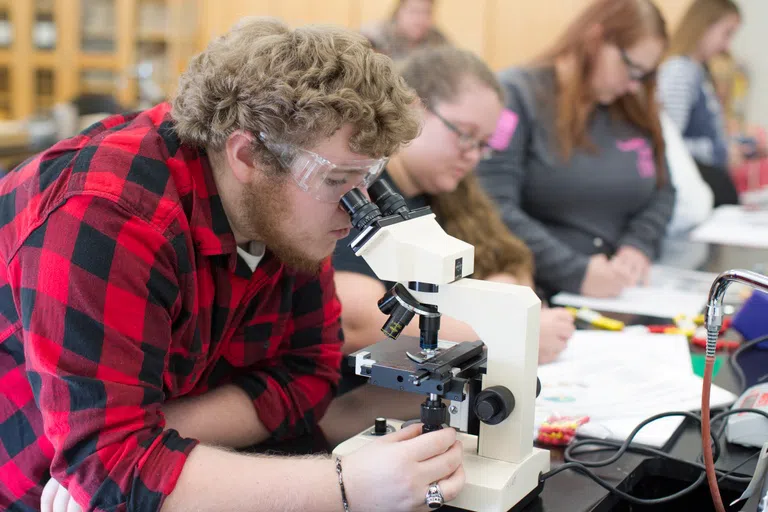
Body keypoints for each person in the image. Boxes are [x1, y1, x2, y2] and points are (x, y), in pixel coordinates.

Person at [0, 18, 465, 512]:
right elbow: (108, 477)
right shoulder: (107, 215)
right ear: (248, 155)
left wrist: (149, 441)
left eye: (369, 177)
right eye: (338, 179)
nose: (358, 205)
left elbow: (308, 376)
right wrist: (346, 485)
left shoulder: (279, 211)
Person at [322, 46, 575, 446]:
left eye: (483, 143)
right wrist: (508, 333)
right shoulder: (358, 188)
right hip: (343, 410)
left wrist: (506, 308)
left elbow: (510, 258)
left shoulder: (446, 190)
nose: (473, 156)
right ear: (413, 109)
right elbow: (354, 316)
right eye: (464, 135)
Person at [476, 0, 675, 299]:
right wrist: (575, 272)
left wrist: (638, 245)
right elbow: (492, 205)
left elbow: (663, 190)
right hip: (541, 289)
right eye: (632, 68)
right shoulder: (519, 96)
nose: (635, 85)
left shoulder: (631, 105)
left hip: (624, 292)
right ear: (595, 40)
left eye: (644, 75)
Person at [658, 0, 744, 207]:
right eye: (727, 33)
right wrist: (719, 151)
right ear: (704, 25)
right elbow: (669, 143)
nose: (727, 46)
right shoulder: (680, 71)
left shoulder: (700, 72)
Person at [360, 0, 449, 60]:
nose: (420, 19)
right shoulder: (375, 34)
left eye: (427, 12)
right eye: (414, 11)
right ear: (398, 12)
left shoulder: (437, 39)